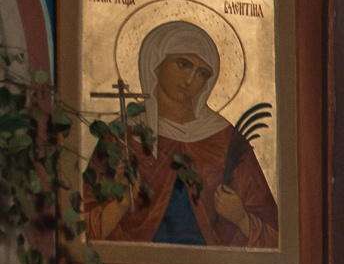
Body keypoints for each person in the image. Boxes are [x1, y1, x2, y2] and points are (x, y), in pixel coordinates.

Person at [83, 19, 280, 249]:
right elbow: (77, 231)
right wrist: (120, 204)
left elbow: (277, 240)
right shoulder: (121, 136)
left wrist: (242, 219)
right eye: (183, 64)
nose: (190, 80)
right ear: (157, 63)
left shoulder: (226, 140)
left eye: (202, 73)